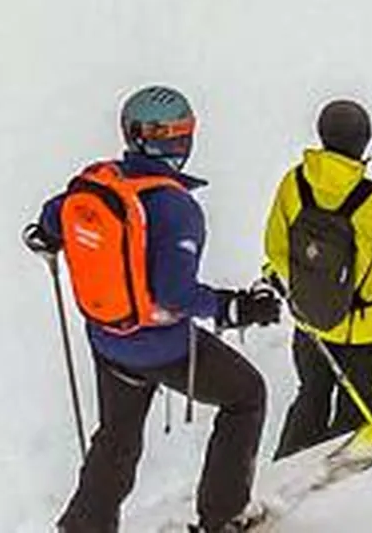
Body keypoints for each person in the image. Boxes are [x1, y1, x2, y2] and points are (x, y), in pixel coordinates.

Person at [29, 84, 281, 533]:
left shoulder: (98, 181)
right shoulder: (175, 208)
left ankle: (84, 527)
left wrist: (50, 240)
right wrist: (234, 308)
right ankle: (223, 516)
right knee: (246, 396)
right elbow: (174, 296)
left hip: (109, 337)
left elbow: (52, 221)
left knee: (117, 438)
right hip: (162, 346)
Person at [261, 97, 372, 455]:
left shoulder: (293, 183)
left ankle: (282, 472)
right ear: (364, 142)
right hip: (364, 331)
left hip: (310, 322)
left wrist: (305, 290)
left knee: (310, 397)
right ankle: (338, 489)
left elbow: (274, 247)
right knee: (354, 418)